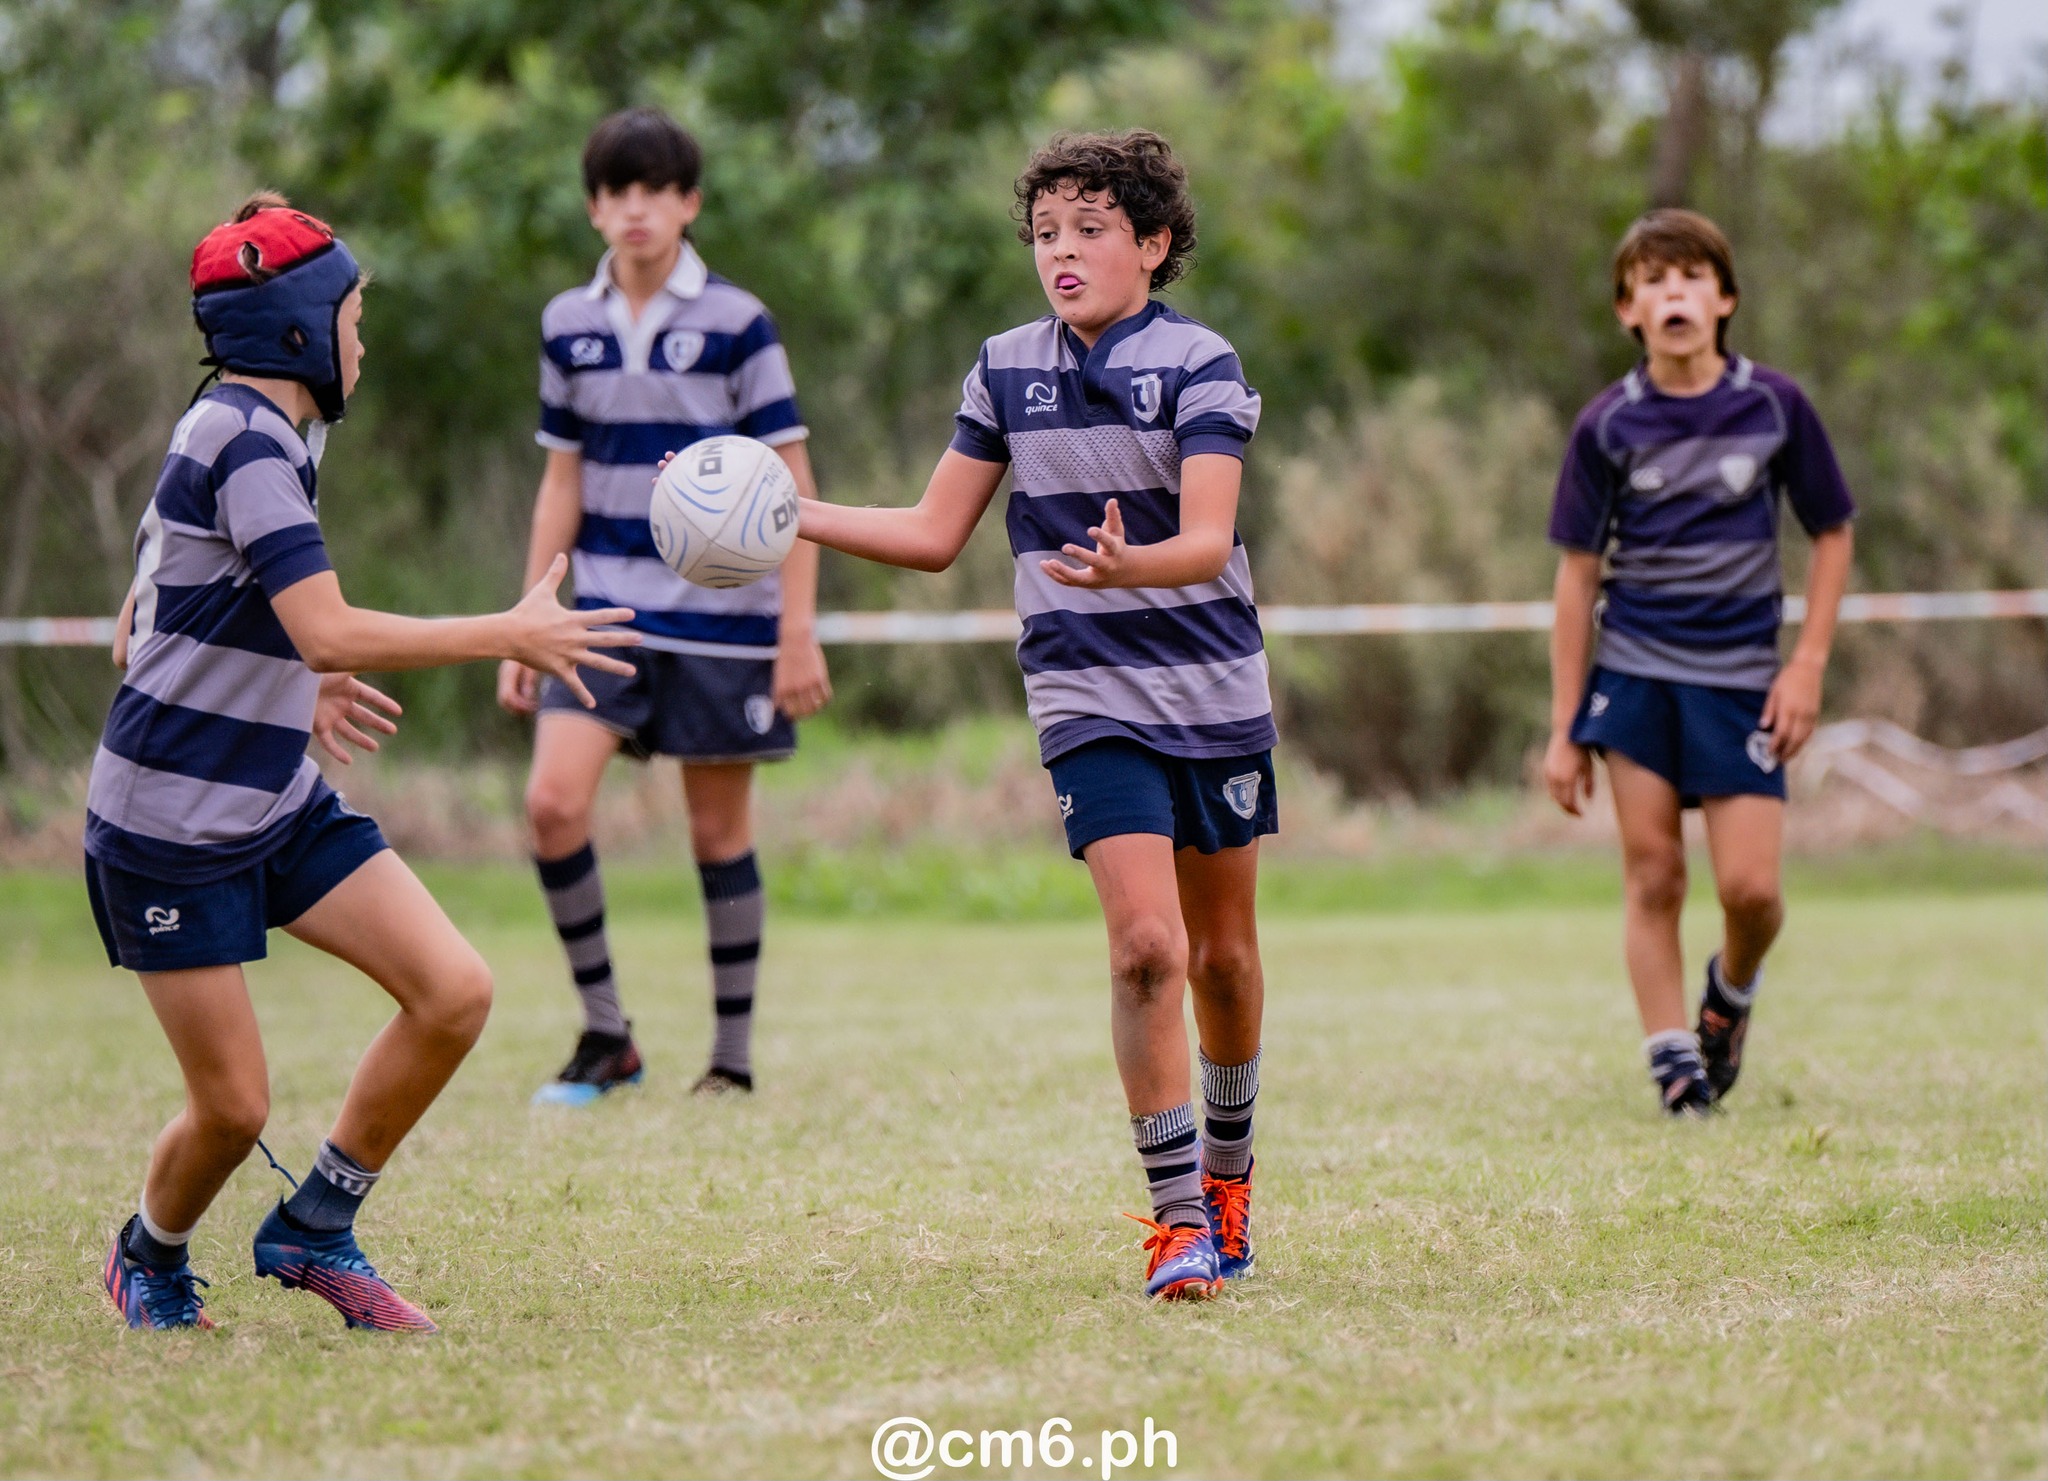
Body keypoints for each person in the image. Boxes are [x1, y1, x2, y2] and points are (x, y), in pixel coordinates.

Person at [92, 194, 638, 1331]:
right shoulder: (242, 437)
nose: (361, 338)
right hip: (169, 828)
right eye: (352, 315)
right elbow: (317, 621)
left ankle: (314, 1225)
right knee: (234, 1108)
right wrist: (503, 630)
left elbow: (176, 610)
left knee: (452, 991)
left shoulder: (261, 431)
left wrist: (291, 669)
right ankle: (149, 1251)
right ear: (298, 327)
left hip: (275, 798)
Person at [782, 130, 1270, 1301]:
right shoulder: (1003, 368)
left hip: (1211, 688)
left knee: (1223, 958)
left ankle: (1229, 1174)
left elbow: (1205, 538)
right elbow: (931, 535)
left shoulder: (1200, 362)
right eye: (1046, 232)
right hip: (1083, 692)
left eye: (1089, 229)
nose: (1061, 250)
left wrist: (1129, 564)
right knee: (1145, 946)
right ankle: (1172, 1223)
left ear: (1150, 245)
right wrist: (788, 511)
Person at [500, 107, 832, 1106]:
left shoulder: (737, 321)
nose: (635, 209)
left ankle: (728, 1062)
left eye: (655, 190)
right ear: (595, 208)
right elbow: (561, 480)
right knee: (551, 804)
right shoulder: (568, 322)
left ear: (688, 203)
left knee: (715, 835)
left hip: (725, 623)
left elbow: (790, 475)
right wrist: (527, 611)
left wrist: (795, 627)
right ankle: (607, 1038)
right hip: (600, 612)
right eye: (615, 191)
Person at [1543, 208, 1856, 1117]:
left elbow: (1832, 533)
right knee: (1655, 875)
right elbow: (1575, 581)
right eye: (1652, 280)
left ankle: (1731, 991)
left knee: (1754, 893)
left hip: (1742, 680)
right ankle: (1675, 1063)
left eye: (1690, 277)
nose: (1672, 292)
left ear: (1724, 300)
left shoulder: (1776, 407)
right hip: (1636, 673)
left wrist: (1807, 666)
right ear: (1626, 311)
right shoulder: (1607, 424)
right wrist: (1565, 727)